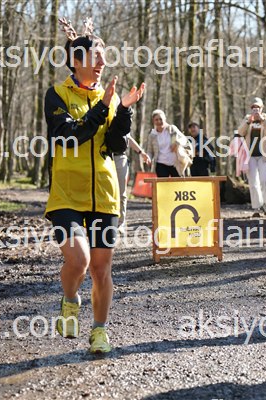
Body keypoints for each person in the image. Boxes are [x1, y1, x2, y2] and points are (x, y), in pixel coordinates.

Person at [44, 18, 145, 353]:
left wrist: (123, 111)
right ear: (76, 61)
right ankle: (70, 300)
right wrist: (102, 109)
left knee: (102, 269)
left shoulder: (109, 97)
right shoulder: (56, 95)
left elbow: (114, 145)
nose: (102, 62)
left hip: (104, 194)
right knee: (79, 261)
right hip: (66, 195)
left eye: (104, 56)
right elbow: (68, 136)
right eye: (96, 56)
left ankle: (99, 332)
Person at [237, 97, 266, 217]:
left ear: (261, 108)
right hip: (250, 156)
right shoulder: (247, 119)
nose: (256, 110)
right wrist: (248, 122)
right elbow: (240, 132)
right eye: (253, 107)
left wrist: (262, 120)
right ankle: (256, 207)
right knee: (254, 182)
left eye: (258, 107)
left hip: (264, 155)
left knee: (265, 180)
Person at [113, 135, 151, 230]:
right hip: (102, 157)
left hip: (119, 158)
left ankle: (120, 223)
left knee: (121, 193)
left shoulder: (121, 125)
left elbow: (128, 138)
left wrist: (141, 152)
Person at [146, 109, 192, 178]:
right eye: (156, 120)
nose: (159, 121)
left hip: (175, 163)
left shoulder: (172, 129)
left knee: (177, 183)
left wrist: (176, 143)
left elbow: (184, 139)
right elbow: (149, 151)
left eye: (160, 119)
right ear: (153, 121)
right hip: (161, 163)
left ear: (164, 119)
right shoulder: (152, 135)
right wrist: (148, 158)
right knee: (163, 183)